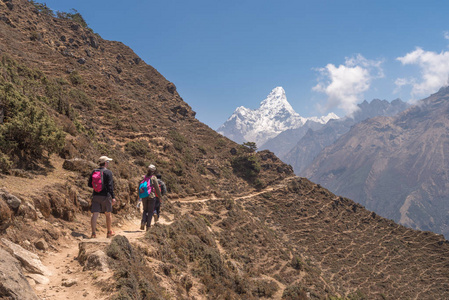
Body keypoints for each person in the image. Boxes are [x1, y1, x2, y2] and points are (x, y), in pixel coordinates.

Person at [88, 156, 116, 238]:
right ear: (105, 163)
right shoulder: (108, 172)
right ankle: (108, 232)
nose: (108, 163)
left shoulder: (94, 171)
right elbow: (110, 186)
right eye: (108, 162)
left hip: (96, 195)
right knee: (108, 214)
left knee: (95, 214)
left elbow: (89, 184)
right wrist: (113, 197)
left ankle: (93, 234)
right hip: (106, 196)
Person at [139, 164, 162, 231]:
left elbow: (139, 185)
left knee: (145, 210)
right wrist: (160, 197)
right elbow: (157, 188)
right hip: (151, 196)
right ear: (153, 171)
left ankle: (143, 222)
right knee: (150, 211)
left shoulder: (143, 177)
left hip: (144, 196)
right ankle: (148, 226)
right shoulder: (153, 178)